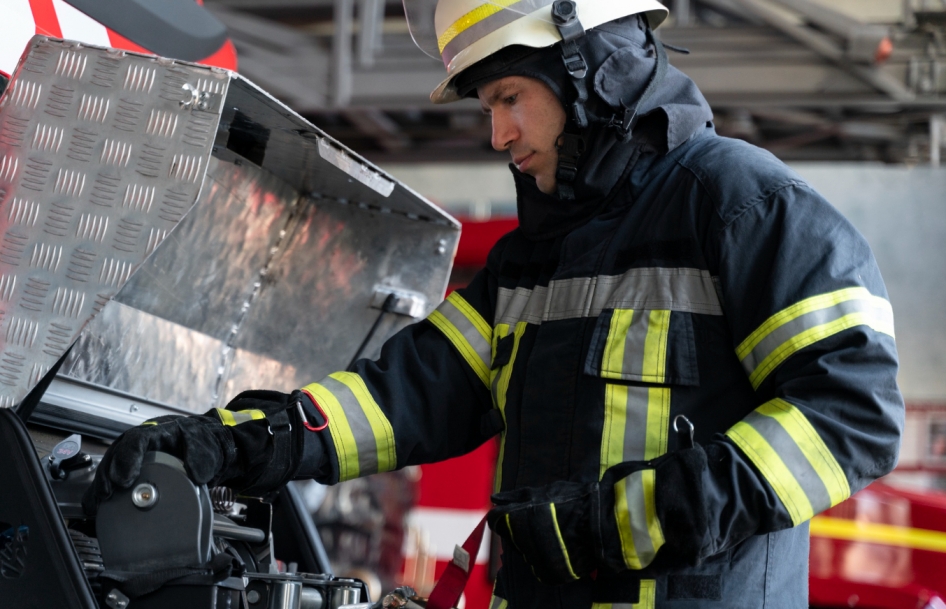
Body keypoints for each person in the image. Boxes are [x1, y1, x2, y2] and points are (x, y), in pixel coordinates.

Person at [84, 1, 904, 607]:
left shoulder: (742, 206)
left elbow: (851, 412)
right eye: (488, 108)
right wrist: (233, 443)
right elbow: (405, 392)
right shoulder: (532, 261)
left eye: (510, 96)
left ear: (592, 66)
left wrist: (620, 522)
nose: (498, 134)